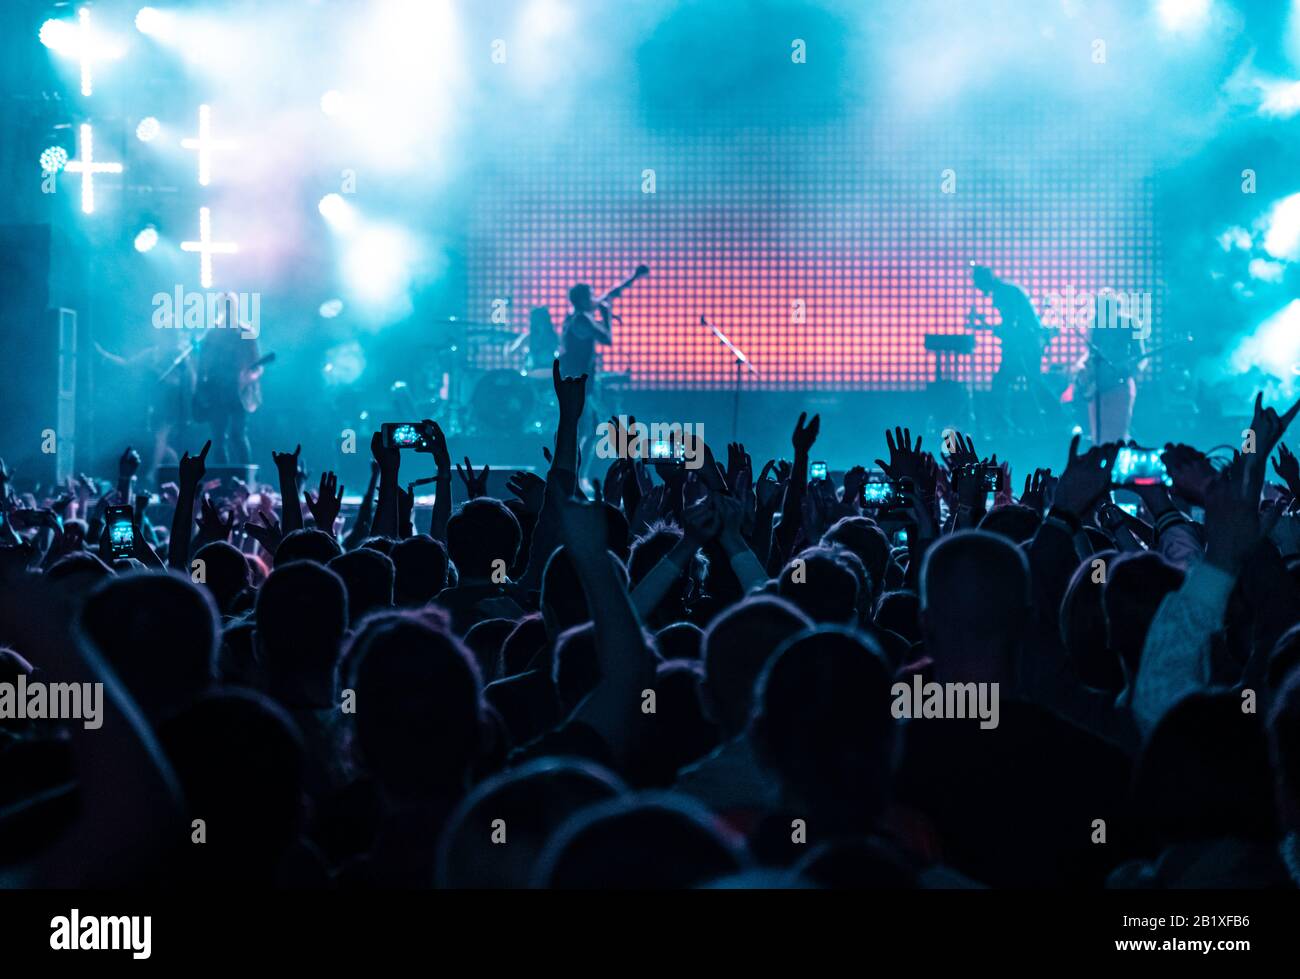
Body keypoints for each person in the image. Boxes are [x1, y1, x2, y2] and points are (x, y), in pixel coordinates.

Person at [194, 294, 264, 465]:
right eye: (223, 306)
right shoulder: (212, 334)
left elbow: (258, 365)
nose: (226, 310)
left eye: (229, 307)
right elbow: (202, 365)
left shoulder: (246, 332)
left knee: (238, 435)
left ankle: (246, 481)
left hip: (240, 391)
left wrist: (248, 378)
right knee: (218, 438)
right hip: (217, 390)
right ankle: (223, 482)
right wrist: (200, 389)